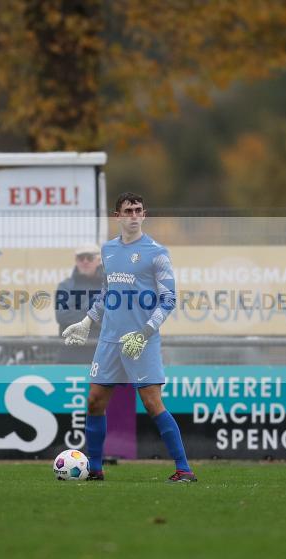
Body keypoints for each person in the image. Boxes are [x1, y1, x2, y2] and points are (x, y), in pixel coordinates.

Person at [62, 192, 196, 483]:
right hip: (109, 341)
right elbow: (107, 293)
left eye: (138, 210)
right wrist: (87, 321)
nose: (134, 215)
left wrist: (144, 333)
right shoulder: (108, 250)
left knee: (151, 403)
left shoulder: (157, 253)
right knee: (95, 402)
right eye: (128, 211)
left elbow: (169, 299)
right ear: (118, 216)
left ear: (144, 215)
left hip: (142, 341)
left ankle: (184, 469)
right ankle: (95, 470)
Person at [54, 244, 104, 363]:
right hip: (70, 355)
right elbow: (62, 316)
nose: (85, 261)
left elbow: (113, 316)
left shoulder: (109, 286)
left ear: (98, 260)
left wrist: (79, 311)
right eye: (81, 258)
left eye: (89, 257)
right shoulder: (65, 286)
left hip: (102, 355)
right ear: (76, 261)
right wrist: (95, 315)